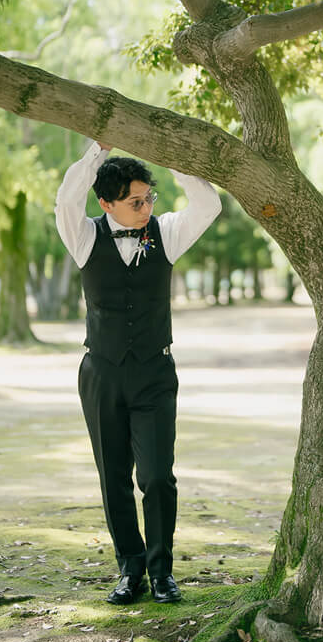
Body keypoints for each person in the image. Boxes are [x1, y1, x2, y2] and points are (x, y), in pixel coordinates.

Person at [55, 140, 221, 606]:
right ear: (106, 203)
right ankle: (130, 569)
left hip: (154, 372)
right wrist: (95, 151)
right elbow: (66, 198)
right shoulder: (84, 235)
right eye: (136, 201)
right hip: (101, 373)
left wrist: (171, 155)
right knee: (113, 477)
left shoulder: (166, 231)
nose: (146, 207)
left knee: (157, 475)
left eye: (150, 198)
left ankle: (162, 570)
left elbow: (208, 204)